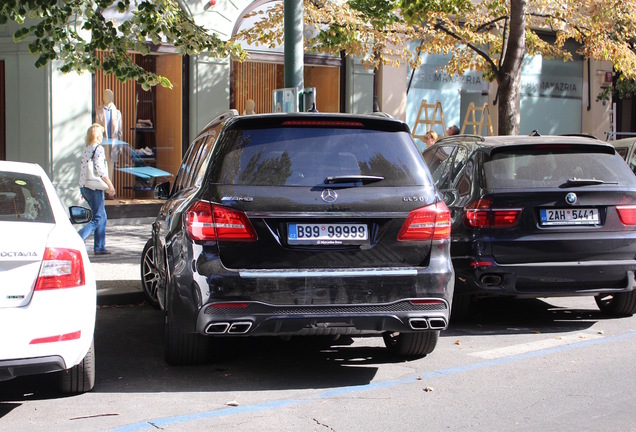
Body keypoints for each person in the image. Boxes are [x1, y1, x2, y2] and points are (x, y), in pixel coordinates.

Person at [78, 123, 116, 255]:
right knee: (98, 217)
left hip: (86, 187)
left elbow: (83, 170)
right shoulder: (98, 149)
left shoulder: (86, 148)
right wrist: (110, 185)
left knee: (102, 216)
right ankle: (78, 238)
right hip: (94, 188)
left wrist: (82, 188)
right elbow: (101, 170)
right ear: (98, 136)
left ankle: (100, 247)